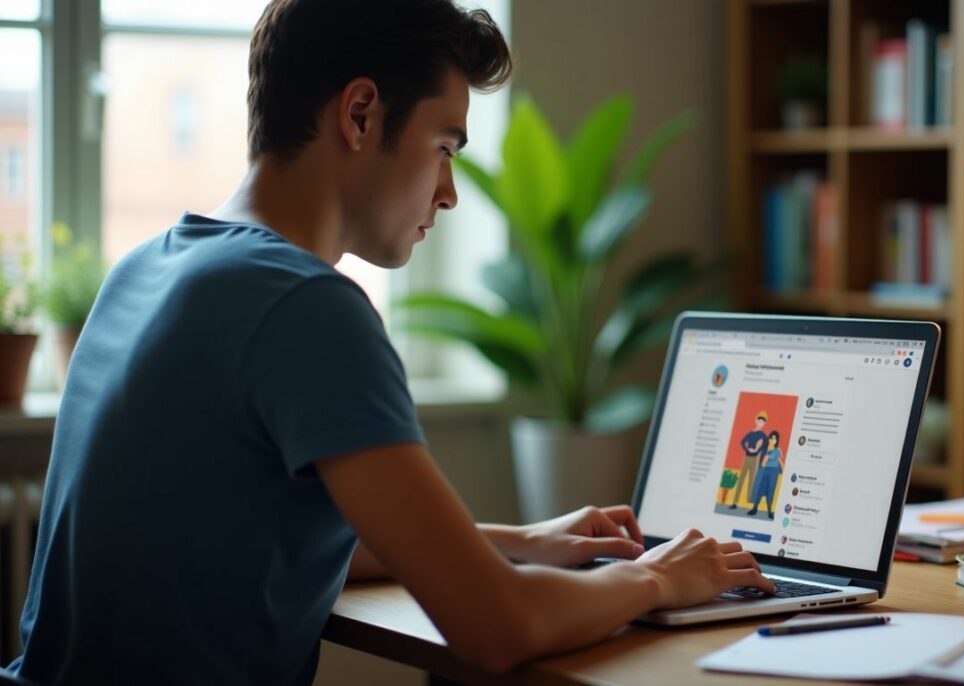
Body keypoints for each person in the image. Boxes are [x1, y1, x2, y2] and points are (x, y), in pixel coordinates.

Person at [10, 1, 772, 684]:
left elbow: (286, 533)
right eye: (445, 146)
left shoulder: (149, 266)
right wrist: (661, 580)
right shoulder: (303, 304)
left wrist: (522, 542)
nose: (448, 192)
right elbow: (498, 628)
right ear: (362, 113)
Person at [730, 411, 768, 510]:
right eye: (759, 421)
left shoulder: (763, 435)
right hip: (747, 458)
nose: (760, 423)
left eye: (762, 422)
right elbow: (742, 442)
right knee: (741, 479)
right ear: (756, 421)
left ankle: (749, 503)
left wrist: (757, 450)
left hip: (755, 459)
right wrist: (748, 449)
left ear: (764, 424)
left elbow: (765, 446)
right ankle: (735, 501)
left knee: (752, 480)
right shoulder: (750, 433)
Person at [747, 431, 783, 519]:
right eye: (771, 438)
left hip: (773, 471)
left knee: (770, 490)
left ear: (777, 440)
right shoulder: (765, 448)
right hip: (764, 470)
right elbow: (759, 457)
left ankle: (770, 511)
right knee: (760, 488)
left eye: (774, 438)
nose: (772, 440)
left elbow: (765, 461)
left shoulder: (776, 450)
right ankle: (755, 508)